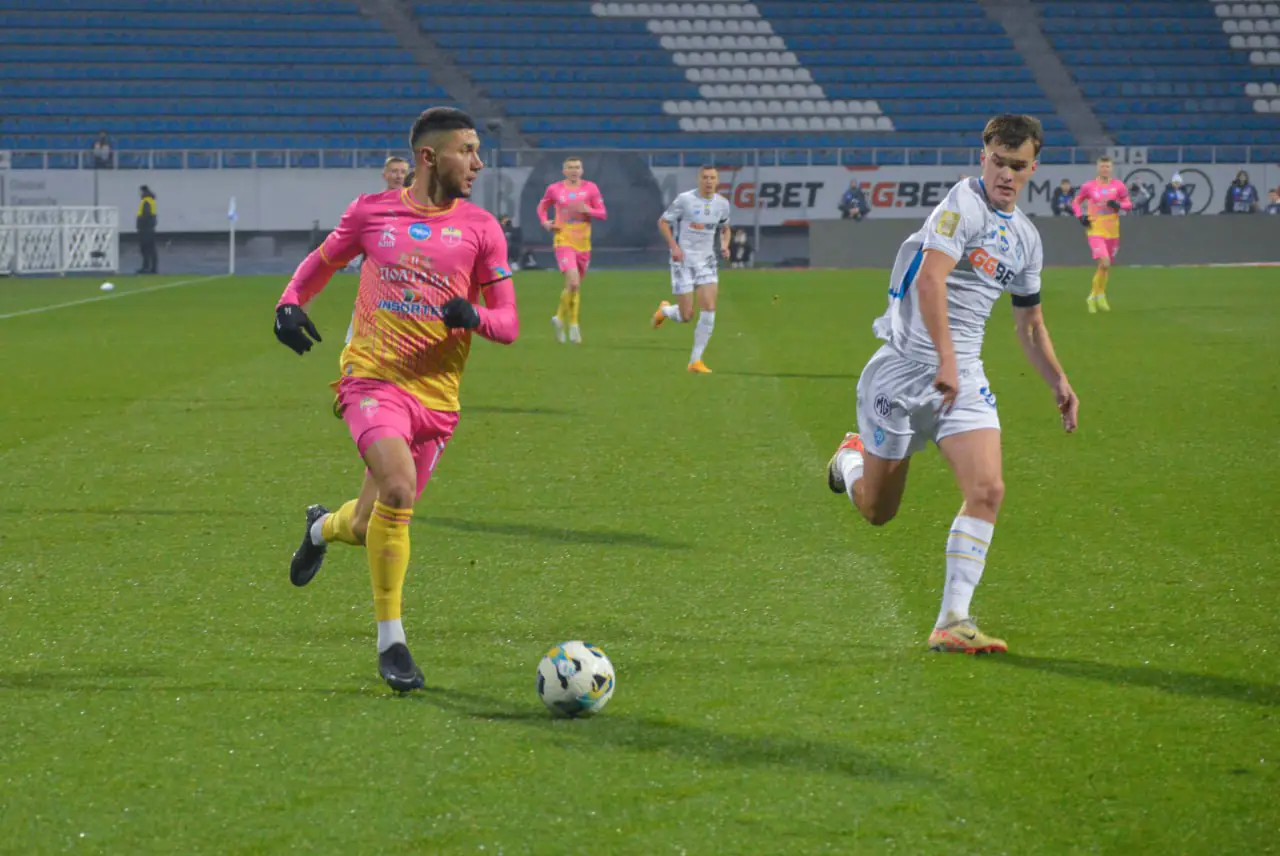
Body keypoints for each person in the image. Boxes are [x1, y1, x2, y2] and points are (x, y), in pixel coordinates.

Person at [273, 107, 519, 692]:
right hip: (373, 380)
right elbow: (322, 263)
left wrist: (474, 316)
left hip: (437, 398)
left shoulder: (482, 227)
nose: (478, 163)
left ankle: (321, 528)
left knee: (368, 525)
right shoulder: (371, 212)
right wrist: (289, 302)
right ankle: (393, 643)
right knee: (400, 489)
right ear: (430, 157)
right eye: (467, 150)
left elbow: (508, 323)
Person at [825, 114, 1079, 655]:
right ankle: (849, 459)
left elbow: (1029, 323)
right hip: (903, 370)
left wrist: (1058, 380)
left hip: (962, 377)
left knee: (988, 490)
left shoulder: (1027, 239)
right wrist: (943, 357)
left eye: (1017, 166)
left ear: (1034, 168)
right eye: (998, 162)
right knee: (877, 511)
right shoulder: (962, 204)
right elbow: (930, 279)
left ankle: (952, 620)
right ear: (982, 157)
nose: (1006, 174)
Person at [650, 165, 731, 373]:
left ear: (717, 181)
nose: (709, 181)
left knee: (709, 308)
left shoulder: (722, 204)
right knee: (686, 316)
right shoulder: (685, 200)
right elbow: (663, 222)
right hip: (683, 260)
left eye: (712, 178)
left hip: (707, 261)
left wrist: (724, 245)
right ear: (699, 180)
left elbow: (725, 228)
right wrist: (674, 247)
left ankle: (695, 361)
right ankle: (665, 310)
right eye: (705, 177)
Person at [537, 157, 607, 344]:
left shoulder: (591, 188)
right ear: (564, 171)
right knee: (574, 282)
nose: (574, 170)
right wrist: (545, 222)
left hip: (583, 243)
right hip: (563, 239)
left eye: (577, 167)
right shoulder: (555, 189)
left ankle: (560, 319)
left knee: (573, 286)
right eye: (570, 167)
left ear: (582, 170)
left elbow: (602, 213)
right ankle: (574, 326)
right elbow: (542, 206)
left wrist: (588, 210)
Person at [1071, 156, 1131, 314]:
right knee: (1104, 262)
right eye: (1102, 166)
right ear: (1098, 168)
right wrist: (1080, 216)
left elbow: (1128, 204)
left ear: (1112, 169)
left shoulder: (1119, 186)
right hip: (1095, 229)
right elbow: (1076, 202)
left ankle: (1097, 295)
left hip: (1113, 230)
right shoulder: (1089, 186)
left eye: (1107, 167)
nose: (1105, 169)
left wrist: (1118, 205)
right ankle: (1096, 296)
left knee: (1105, 267)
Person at [135, 185, 158, 274]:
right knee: (151, 248)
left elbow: (146, 214)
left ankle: (147, 267)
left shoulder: (146, 201)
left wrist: (141, 225)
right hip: (149, 227)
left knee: (145, 248)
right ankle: (152, 268)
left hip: (145, 229)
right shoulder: (151, 200)